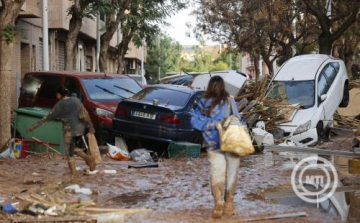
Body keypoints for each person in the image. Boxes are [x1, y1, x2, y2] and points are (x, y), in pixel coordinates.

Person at [191, 76, 246, 219]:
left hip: (213, 144)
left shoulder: (203, 102)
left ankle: (217, 203)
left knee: (217, 173)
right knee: (231, 174)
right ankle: (228, 204)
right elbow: (238, 119)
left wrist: (210, 125)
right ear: (223, 86)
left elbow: (194, 121)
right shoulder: (229, 100)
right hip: (230, 143)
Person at [27, 86, 96, 176]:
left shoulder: (59, 105)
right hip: (80, 129)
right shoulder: (76, 101)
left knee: (69, 152)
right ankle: (88, 159)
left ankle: (75, 173)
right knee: (72, 148)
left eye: (57, 95)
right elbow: (84, 114)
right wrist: (90, 125)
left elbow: (46, 118)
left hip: (69, 130)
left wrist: (33, 126)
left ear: (59, 95)